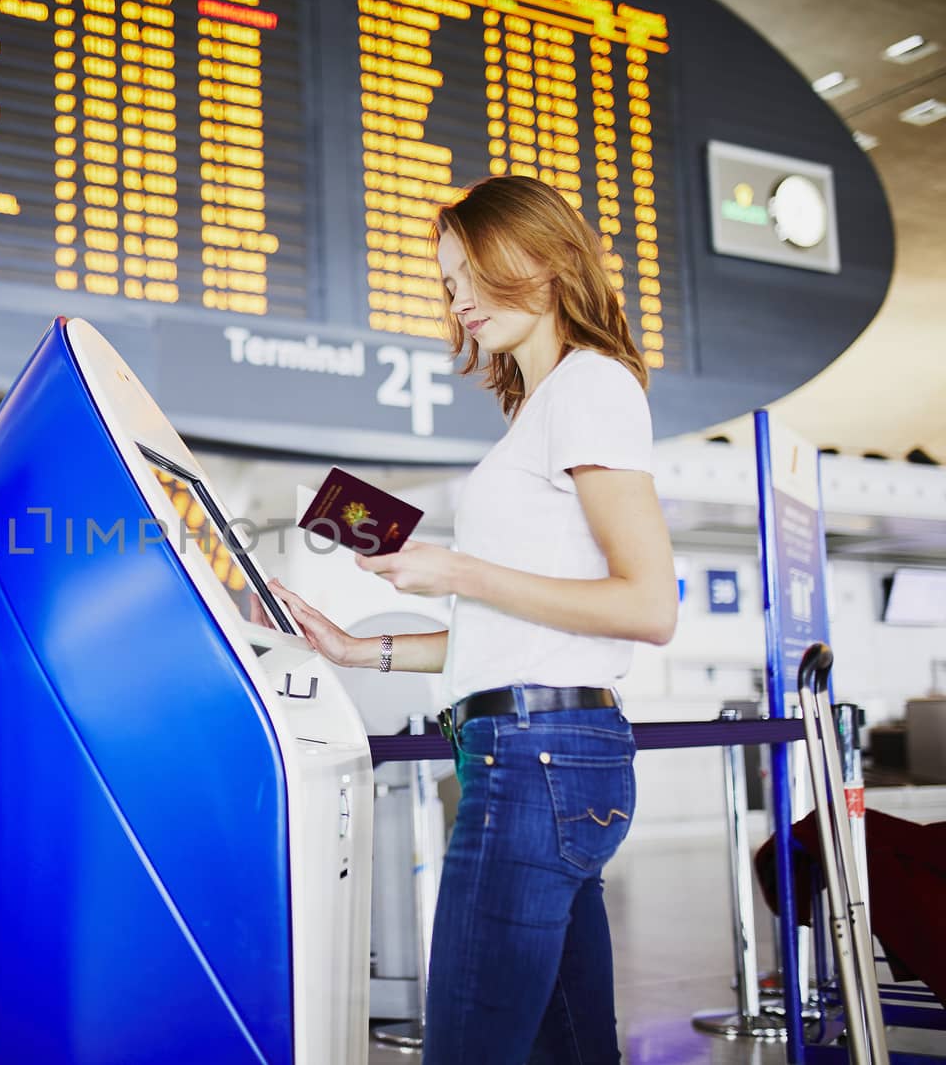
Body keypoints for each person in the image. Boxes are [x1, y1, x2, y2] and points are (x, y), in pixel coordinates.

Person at [269, 175, 677, 1063]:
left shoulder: (589, 388)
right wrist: (356, 647)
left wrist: (457, 567)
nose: (458, 298)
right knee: (568, 1046)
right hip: (546, 750)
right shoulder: (541, 406)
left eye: (474, 270)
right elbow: (512, 643)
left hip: (537, 760)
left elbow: (648, 605)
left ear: (546, 256)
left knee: (471, 1043)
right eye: (449, 280)